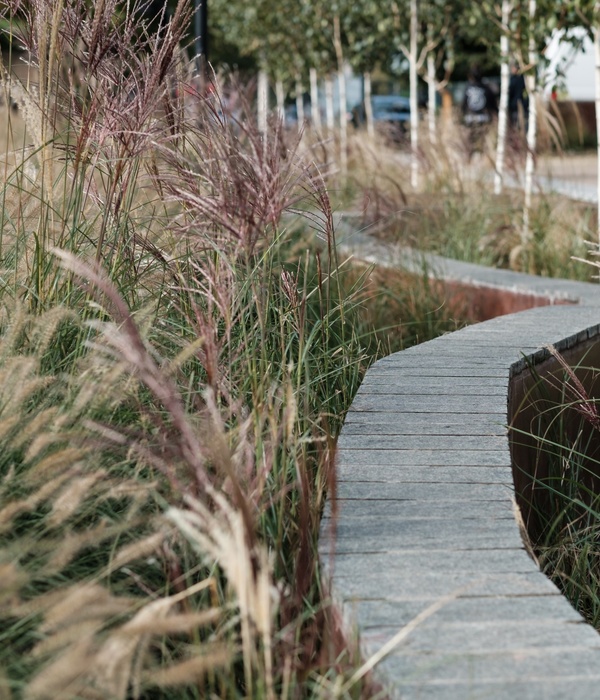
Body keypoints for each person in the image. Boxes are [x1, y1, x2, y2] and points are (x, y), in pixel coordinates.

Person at [462, 65, 498, 158]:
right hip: (484, 118)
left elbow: (464, 104)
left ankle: (471, 156)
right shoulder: (486, 88)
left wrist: (462, 115)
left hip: (470, 118)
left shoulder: (468, 88)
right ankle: (482, 156)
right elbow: (492, 104)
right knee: (484, 140)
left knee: (471, 141)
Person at [508, 62, 529, 131]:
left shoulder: (513, 80)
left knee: (516, 128)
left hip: (516, 107)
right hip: (523, 107)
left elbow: (510, 93)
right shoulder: (525, 79)